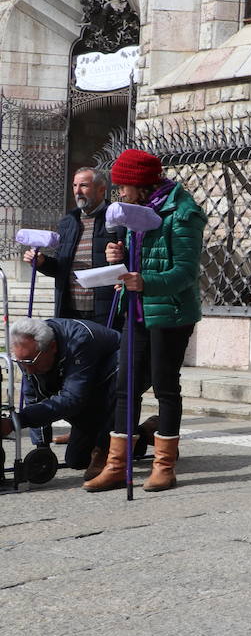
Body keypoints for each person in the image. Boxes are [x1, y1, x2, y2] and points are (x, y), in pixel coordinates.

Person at [84, 149, 206, 494]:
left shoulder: (183, 213)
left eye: (123, 186)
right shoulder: (135, 212)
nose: (119, 193)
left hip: (170, 313)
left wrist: (146, 282)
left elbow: (185, 272)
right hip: (135, 309)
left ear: (140, 184)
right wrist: (117, 254)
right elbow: (133, 251)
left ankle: (164, 467)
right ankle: (116, 465)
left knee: (166, 388)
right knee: (125, 387)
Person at [2, 316, 119, 475]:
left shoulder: (80, 341)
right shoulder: (29, 355)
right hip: (88, 388)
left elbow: (73, 399)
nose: (28, 370)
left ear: (53, 347)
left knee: (116, 389)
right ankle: (144, 434)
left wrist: (18, 421)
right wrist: (42, 449)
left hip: (115, 375)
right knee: (77, 460)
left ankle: (109, 447)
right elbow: (34, 398)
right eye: (21, 362)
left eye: (31, 362)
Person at [24, 167, 120, 323]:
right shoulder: (68, 221)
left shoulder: (116, 219)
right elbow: (60, 268)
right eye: (75, 186)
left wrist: (119, 255)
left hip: (105, 311)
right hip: (69, 311)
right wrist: (42, 262)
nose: (77, 191)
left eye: (84, 185)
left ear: (101, 190)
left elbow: (128, 261)